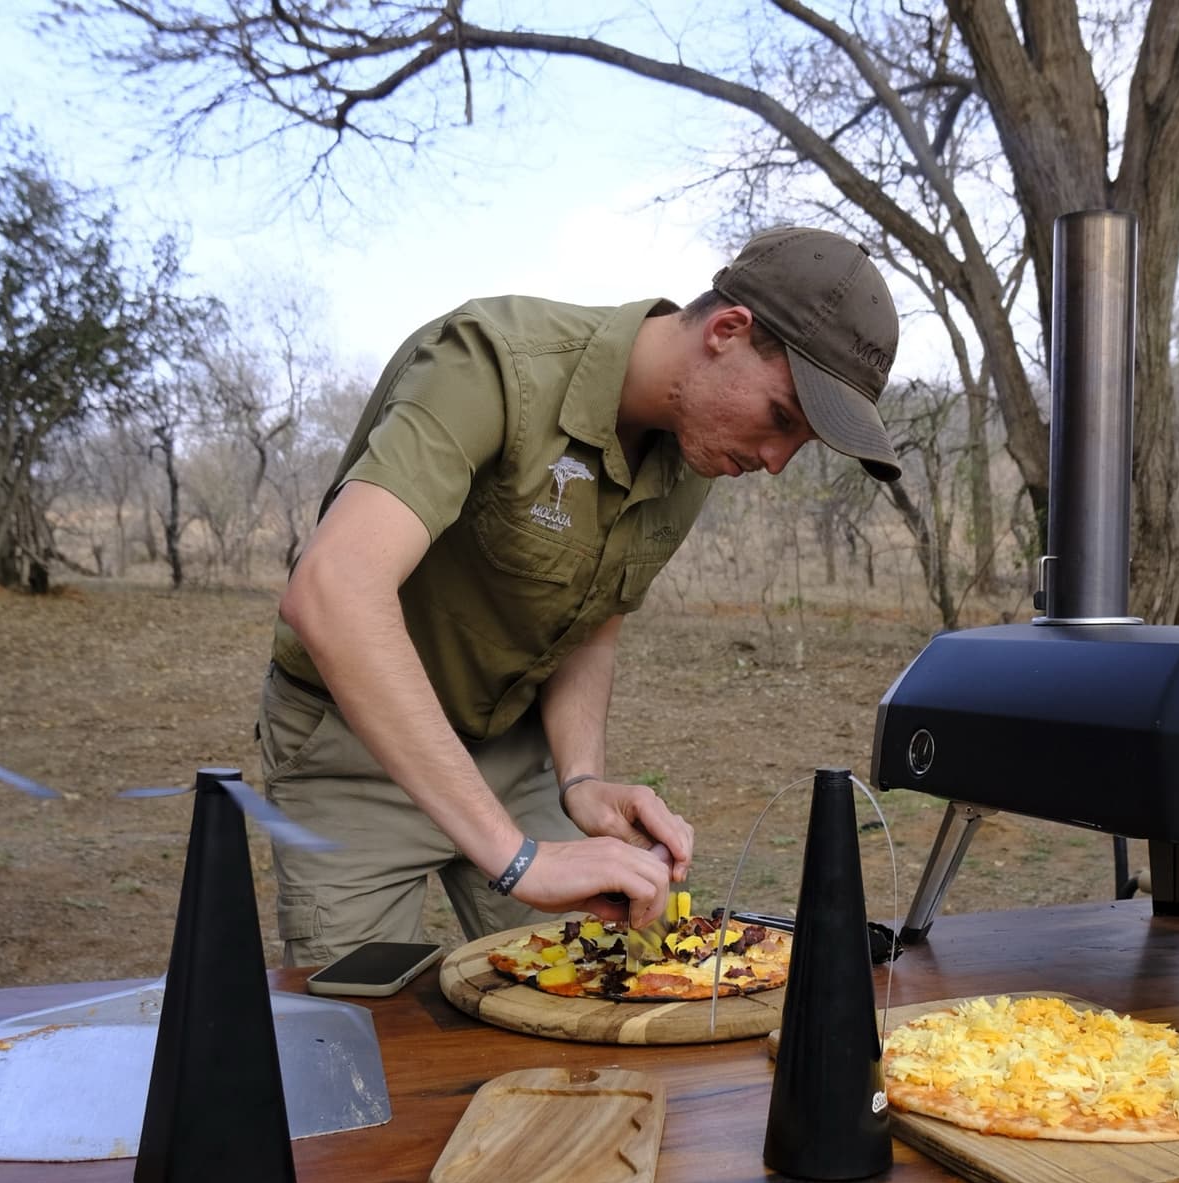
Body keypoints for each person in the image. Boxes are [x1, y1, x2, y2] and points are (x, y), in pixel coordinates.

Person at [262, 226, 901, 966]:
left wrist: (582, 780)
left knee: (601, 984)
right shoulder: (491, 363)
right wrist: (517, 857)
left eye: (802, 443)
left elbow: (593, 623)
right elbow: (334, 590)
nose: (776, 460)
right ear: (727, 331)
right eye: (782, 418)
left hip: (513, 749)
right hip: (353, 751)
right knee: (364, 1024)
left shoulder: (694, 450)